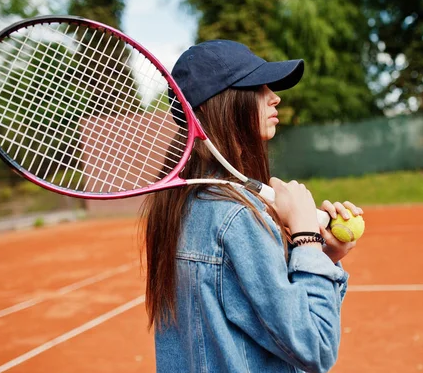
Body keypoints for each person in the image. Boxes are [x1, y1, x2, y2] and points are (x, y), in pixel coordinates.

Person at [142, 40, 363, 373]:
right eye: (258, 87)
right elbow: (314, 346)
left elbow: (256, 316)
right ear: (225, 104)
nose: (274, 96)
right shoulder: (235, 219)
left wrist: (324, 254)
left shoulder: (181, 208)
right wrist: (305, 236)